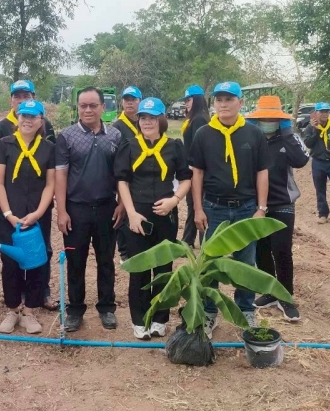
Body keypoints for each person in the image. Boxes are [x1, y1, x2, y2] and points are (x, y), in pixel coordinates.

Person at [189, 81, 270, 337]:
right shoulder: (203, 134)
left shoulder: (253, 134)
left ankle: (245, 310)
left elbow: (262, 172)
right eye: (219, 100)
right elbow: (197, 173)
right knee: (210, 261)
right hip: (214, 208)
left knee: (246, 261)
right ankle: (209, 312)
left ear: (240, 103)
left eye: (229, 99)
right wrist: (198, 209)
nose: (223, 104)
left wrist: (261, 208)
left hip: (246, 207)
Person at [115, 97, 191, 340]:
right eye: (143, 118)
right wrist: (131, 213)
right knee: (139, 267)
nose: (147, 122)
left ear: (162, 120)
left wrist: (174, 200)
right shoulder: (129, 146)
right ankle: (140, 319)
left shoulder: (174, 146)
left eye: (152, 117)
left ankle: (159, 317)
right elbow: (122, 181)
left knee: (163, 267)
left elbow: (186, 179)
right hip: (137, 214)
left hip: (165, 214)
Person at [55, 87, 123, 332]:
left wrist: (122, 204)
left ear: (103, 107)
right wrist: (61, 211)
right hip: (76, 210)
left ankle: (107, 307)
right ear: (78, 108)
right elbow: (61, 176)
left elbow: (121, 174)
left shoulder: (115, 135)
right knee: (76, 261)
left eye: (93, 105)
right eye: (83, 105)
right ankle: (75, 310)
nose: (87, 110)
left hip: (107, 208)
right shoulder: (67, 136)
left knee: (106, 260)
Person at [0, 79, 57, 311]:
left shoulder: (48, 148)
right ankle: (13, 306)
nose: (28, 120)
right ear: (17, 118)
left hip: (38, 213)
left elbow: (50, 184)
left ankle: (32, 307)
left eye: (33, 117)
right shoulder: (3, 143)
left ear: (41, 121)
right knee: (10, 260)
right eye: (24, 116)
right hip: (9, 212)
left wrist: (38, 213)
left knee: (38, 256)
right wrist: (8, 214)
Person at [246, 96, 309, 322]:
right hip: (255, 204)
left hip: (283, 202)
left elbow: (301, 160)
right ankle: (270, 291)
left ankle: (285, 296)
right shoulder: (251, 138)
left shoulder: (289, 138)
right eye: (264, 118)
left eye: (273, 118)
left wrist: (288, 133)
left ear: (280, 119)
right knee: (261, 250)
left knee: (281, 250)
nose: (268, 122)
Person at [111, 85, 141, 262]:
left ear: (139, 101)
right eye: (126, 100)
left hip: (141, 176)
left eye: (133, 100)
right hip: (123, 176)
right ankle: (124, 251)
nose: (130, 103)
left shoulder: (144, 121)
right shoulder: (118, 126)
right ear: (122, 102)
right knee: (122, 211)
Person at [180, 85, 210, 247]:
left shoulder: (199, 119)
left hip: (196, 168)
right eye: (185, 100)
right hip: (191, 167)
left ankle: (191, 240)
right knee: (192, 204)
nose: (186, 103)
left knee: (195, 204)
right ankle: (188, 239)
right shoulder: (195, 118)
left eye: (189, 99)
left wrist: (193, 167)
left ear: (197, 100)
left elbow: (199, 147)